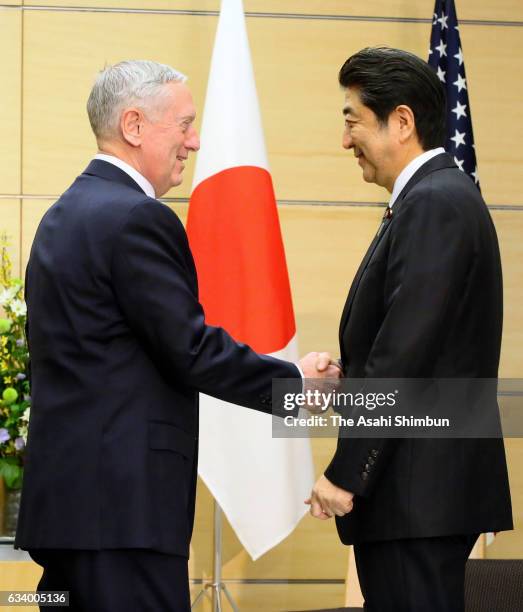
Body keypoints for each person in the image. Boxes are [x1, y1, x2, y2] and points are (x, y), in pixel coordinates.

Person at [15, 60, 340, 611]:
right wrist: (293, 383)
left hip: (69, 512)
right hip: (124, 515)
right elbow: (190, 349)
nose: (195, 140)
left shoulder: (62, 214)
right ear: (135, 125)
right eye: (184, 124)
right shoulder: (137, 218)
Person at [306, 47, 512, 611]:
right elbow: (418, 342)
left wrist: (347, 473)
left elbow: (406, 352)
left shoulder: (435, 203)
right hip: (418, 497)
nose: (345, 140)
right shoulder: (430, 199)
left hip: (418, 496)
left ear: (401, 122)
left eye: (352, 119)